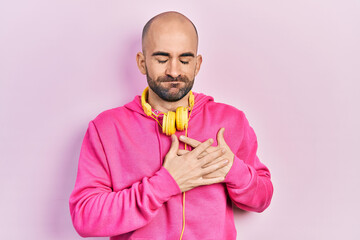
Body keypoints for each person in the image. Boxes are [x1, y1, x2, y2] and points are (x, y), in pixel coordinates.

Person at [69, 11, 273, 240]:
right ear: (142, 62)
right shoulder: (106, 128)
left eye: (184, 60)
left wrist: (234, 170)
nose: (174, 71)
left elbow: (262, 199)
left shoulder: (232, 121)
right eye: (162, 59)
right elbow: (85, 217)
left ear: (197, 64)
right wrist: (165, 184)